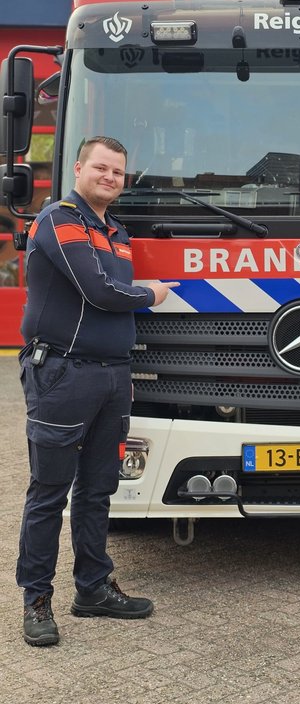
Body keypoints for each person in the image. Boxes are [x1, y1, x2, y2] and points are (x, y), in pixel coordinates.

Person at [17, 136, 179, 647]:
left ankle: (92, 588)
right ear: (79, 168)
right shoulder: (58, 220)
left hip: (111, 376)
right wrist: (150, 294)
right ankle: (36, 600)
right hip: (64, 375)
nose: (110, 178)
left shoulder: (117, 232)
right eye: (102, 168)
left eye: (118, 172)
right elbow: (101, 292)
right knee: (49, 493)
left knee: (98, 489)